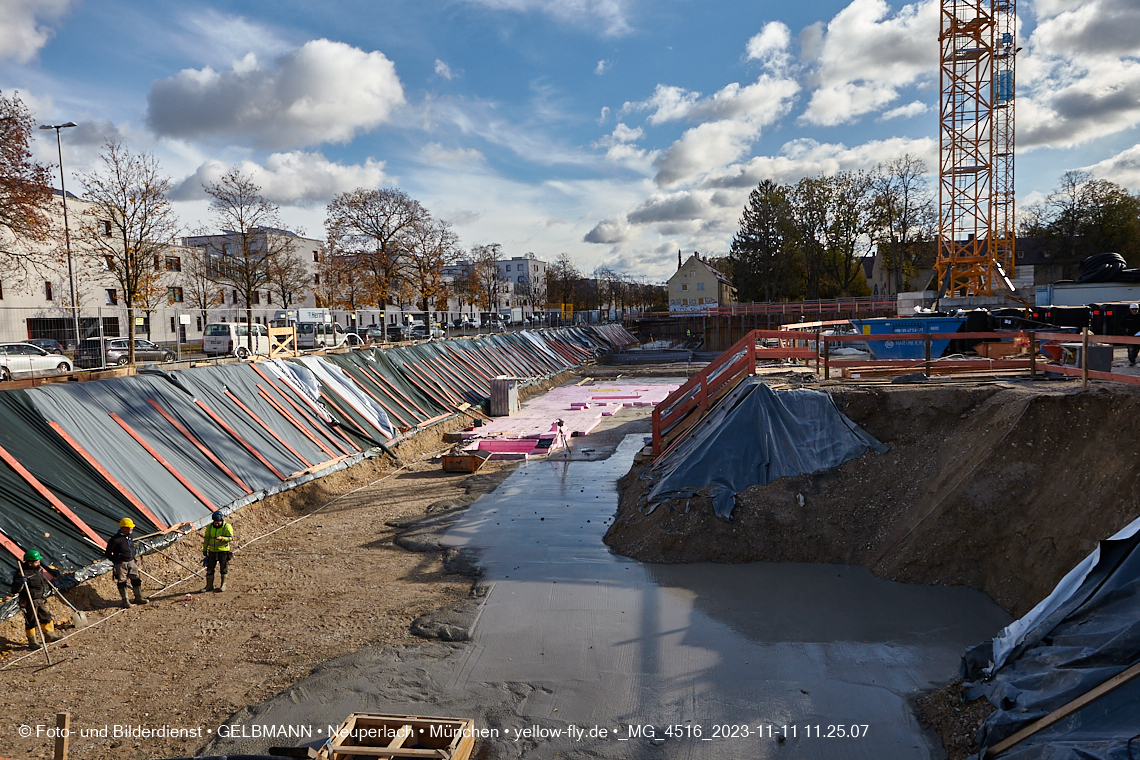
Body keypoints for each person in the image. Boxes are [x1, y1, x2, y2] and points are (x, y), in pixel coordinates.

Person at [9, 550, 62, 648]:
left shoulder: (38, 569)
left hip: (39, 598)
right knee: (31, 620)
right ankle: (32, 642)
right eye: (37, 561)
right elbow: (14, 590)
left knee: (45, 615)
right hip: (29, 600)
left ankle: (49, 634)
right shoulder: (21, 573)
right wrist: (20, 582)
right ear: (30, 563)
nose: (39, 563)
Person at [105, 517, 148, 608]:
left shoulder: (129, 536)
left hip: (131, 561)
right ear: (123, 528)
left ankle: (138, 597)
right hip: (121, 563)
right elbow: (108, 553)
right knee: (122, 581)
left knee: (136, 579)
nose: (131, 529)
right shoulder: (115, 540)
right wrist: (117, 561)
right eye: (129, 527)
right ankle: (125, 601)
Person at [203, 511, 234, 593]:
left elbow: (230, 538)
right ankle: (209, 585)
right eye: (215, 523)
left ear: (221, 520)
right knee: (210, 568)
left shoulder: (227, 527)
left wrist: (222, 538)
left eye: (218, 523)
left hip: (223, 551)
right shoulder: (209, 527)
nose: (216, 524)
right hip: (212, 551)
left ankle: (223, 585)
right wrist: (205, 549)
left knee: (223, 568)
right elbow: (206, 539)